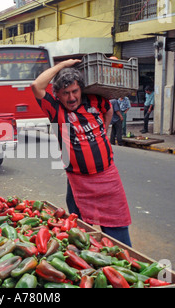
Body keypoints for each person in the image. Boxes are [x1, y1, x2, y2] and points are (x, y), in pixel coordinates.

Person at [31, 59, 132, 246]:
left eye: (75, 91)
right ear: (58, 96)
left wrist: (103, 132)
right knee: (83, 237)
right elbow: (37, 85)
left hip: (108, 178)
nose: (71, 98)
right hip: (79, 182)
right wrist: (63, 65)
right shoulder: (55, 110)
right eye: (65, 93)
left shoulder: (95, 101)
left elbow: (108, 110)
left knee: (119, 234)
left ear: (81, 90)